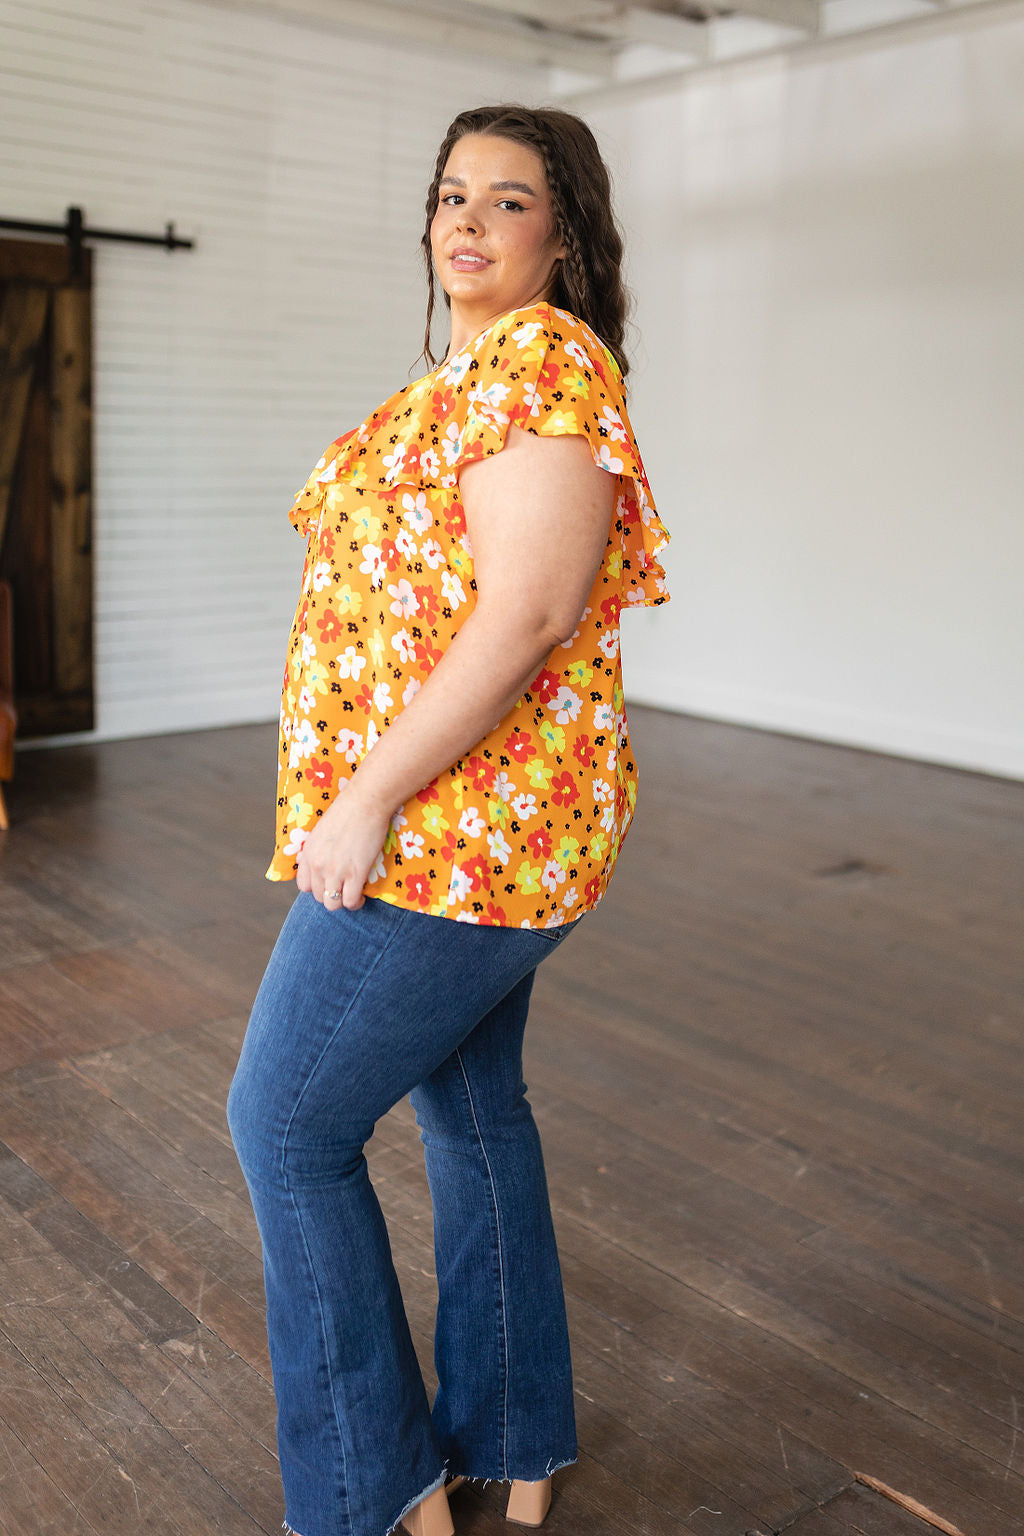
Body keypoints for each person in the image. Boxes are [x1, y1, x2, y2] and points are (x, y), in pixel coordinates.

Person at [226, 103, 669, 1536]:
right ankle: (514, 1444)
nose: (468, 219)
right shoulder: (467, 373)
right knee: (475, 1118)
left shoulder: (546, 360)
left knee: (285, 1126)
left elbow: (530, 610)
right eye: (450, 194)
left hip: (454, 831)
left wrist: (360, 801)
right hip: (466, 827)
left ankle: (369, 1494)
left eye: (511, 200)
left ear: (567, 235)